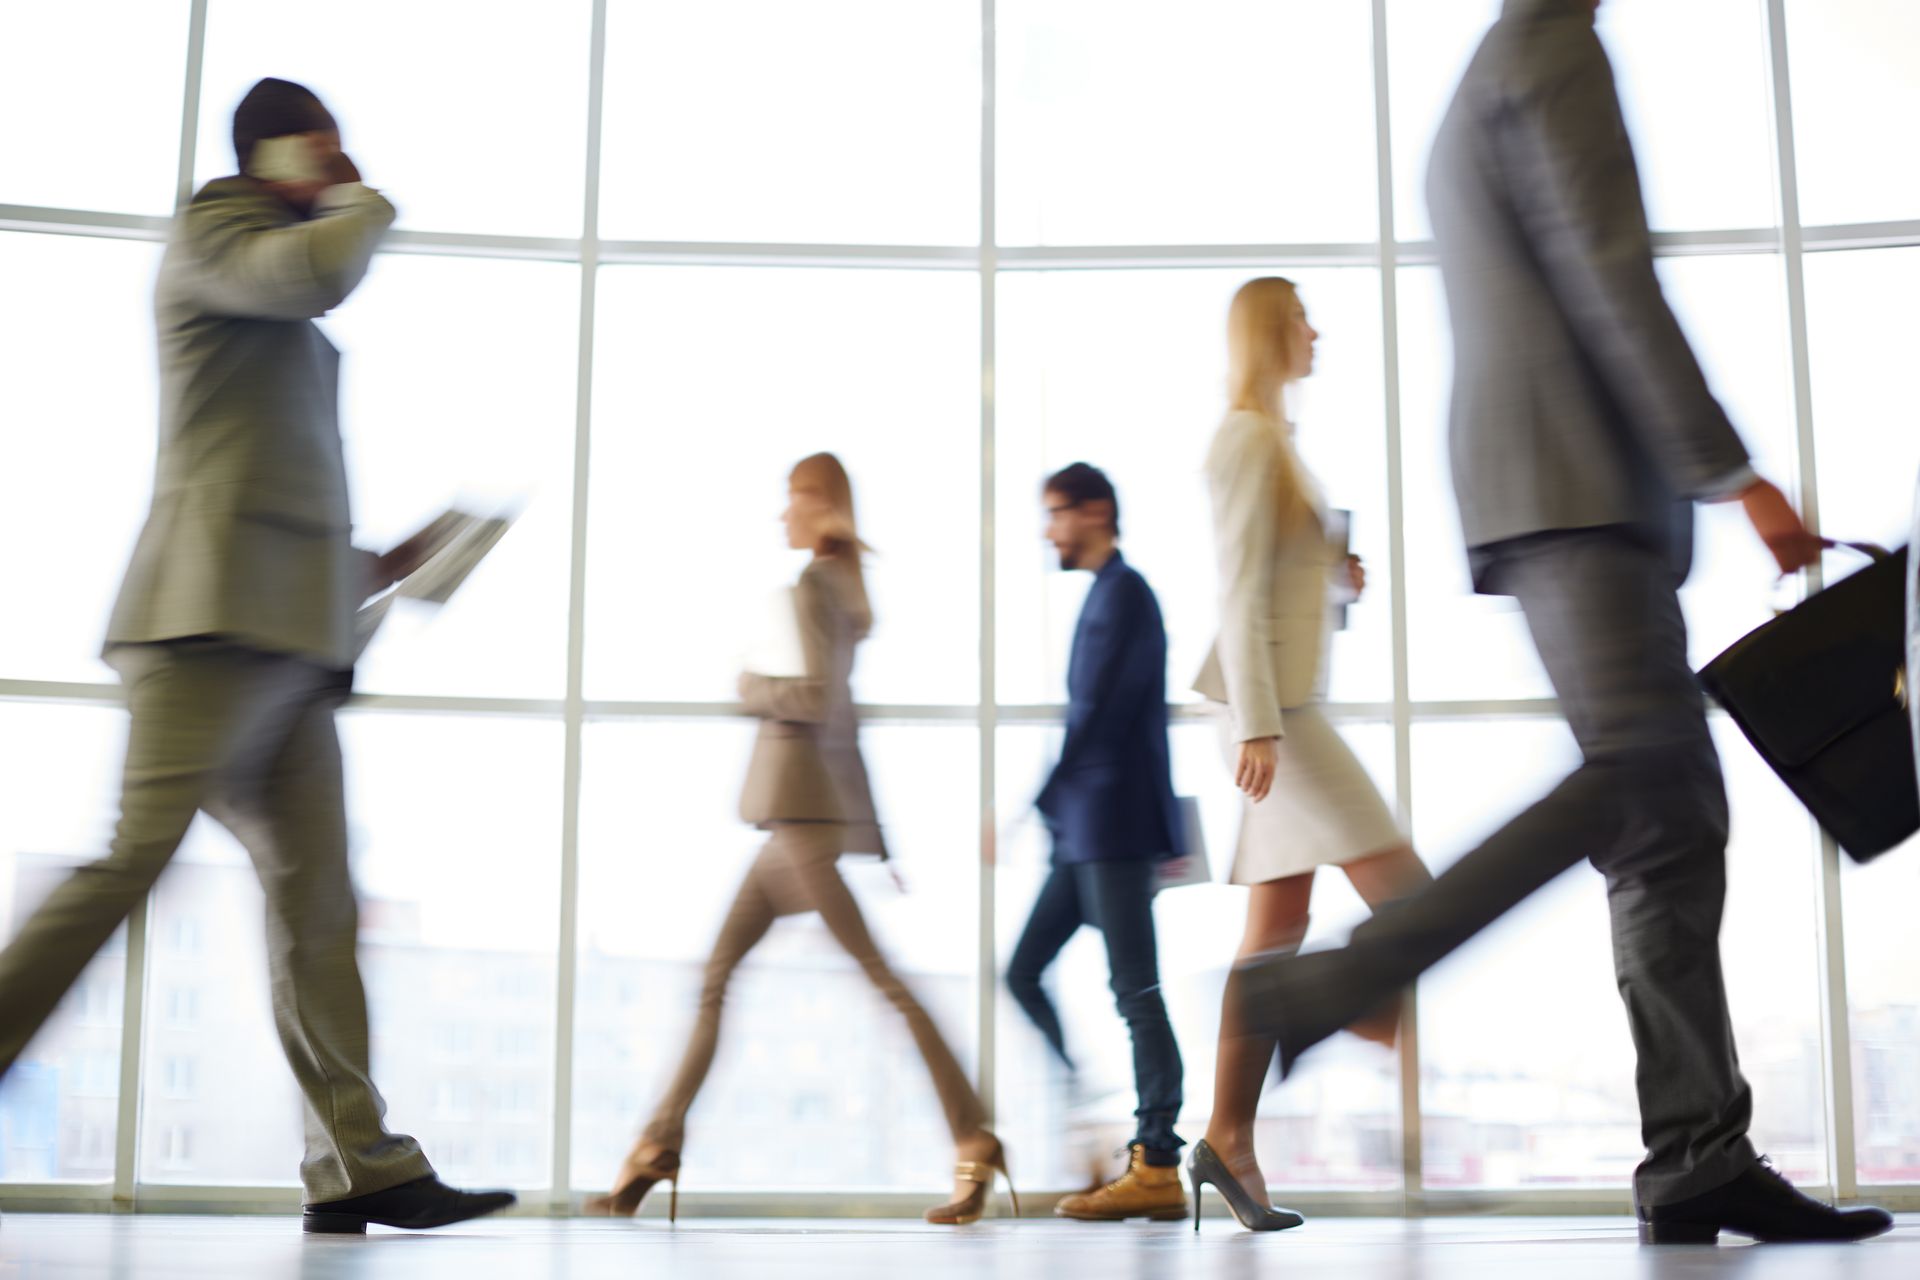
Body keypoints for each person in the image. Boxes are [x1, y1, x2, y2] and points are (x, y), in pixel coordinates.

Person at [1235, 0, 1892, 1246]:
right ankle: (1343, 975)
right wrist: (1732, 471)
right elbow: (1610, 270)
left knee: (1672, 817)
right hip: (1570, 484)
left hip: (1553, 485)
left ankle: (1697, 1154)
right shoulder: (1549, 51)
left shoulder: (1495, 68)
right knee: (1643, 772)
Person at [0, 78, 514, 1233]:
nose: (338, 169)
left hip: (290, 646)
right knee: (131, 857)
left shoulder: (275, 292)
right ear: (272, 154)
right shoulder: (216, 233)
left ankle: (360, 1164)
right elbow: (316, 270)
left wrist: (383, 560)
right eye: (320, 150)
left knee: (318, 904)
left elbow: (265, 474)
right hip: (206, 627)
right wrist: (360, 198)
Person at [587, 453, 1014, 1226]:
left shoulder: (815, 586)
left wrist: (749, 685)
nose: (783, 513)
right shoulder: (841, 587)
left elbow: (817, 699)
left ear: (820, 503)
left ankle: (973, 1134)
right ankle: (656, 1143)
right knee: (720, 979)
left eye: (793, 498)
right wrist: (877, 836)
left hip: (801, 823)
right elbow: (843, 717)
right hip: (795, 821)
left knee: (879, 982)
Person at [1186, 278, 1433, 1233]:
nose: (1315, 331)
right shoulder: (1247, 439)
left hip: (1284, 704)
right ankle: (1345, 1013)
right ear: (1269, 333)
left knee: (1274, 929)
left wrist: (1337, 581)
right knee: (1414, 901)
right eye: (1300, 318)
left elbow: (1281, 583)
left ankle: (1227, 1140)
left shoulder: (1276, 442)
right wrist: (1257, 722)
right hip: (1277, 715)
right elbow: (1237, 591)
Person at [1005, 463, 1188, 1222]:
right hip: (1084, 833)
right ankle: (1088, 1103)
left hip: (1111, 829)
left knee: (1136, 993)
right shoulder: (1107, 594)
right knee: (1023, 972)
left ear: (1096, 512)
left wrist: (1032, 805)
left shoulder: (1125, 594)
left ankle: (1158, 1161)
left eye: (1057, 513)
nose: (1049, 530)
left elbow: (1102, 720)